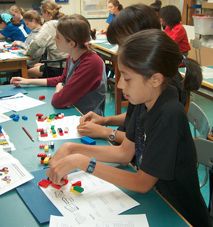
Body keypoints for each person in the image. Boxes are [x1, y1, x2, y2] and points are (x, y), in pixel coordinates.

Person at [46, 29, 211, 227]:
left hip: (180, 215)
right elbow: (125, 154)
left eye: (127, 78)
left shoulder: (169, 114)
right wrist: (74, 149)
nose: (120, 85)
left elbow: (142, 183)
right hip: (156, 202)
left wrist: (84, 163)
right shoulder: (144, 100)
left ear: (155, 79)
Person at [79, 4, 161, 143]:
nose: (119, 51)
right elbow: (135, 116)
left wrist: (106, 132)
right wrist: (105, 120)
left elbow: (143, 142)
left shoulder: (157, 82)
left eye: (123, 44)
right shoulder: (143, 75)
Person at [10, 15, 106, 115]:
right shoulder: (72, 56)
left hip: (86, 118)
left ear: (72, 43)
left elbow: (58, 101)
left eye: (58, 37)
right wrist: (27, 81)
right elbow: (62, 80)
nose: (54, 39)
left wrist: (58, 90)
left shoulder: (91, 63)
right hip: (73, 110)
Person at [26, 0, 67, 78]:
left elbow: (36, 43)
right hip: (69, 64)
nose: (42, 16)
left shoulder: (49, 25)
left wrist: (28, 53)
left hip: (57, 66)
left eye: (42, 13)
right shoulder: (65, 21)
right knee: (37, 65)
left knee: (27, 72)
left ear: (47, 13)